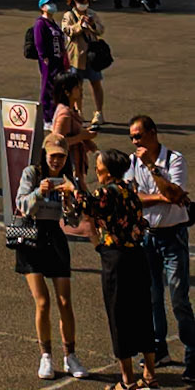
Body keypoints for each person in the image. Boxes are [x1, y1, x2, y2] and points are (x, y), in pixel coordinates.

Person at [74, 148, 157, 388]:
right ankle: (150, 376)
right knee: (142, 312)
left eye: (99, 165)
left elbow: (86, 206)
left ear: (107, 170)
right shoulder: (129, 188)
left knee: (119, 314)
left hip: (115, 257)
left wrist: (73, 189)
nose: (97, 169)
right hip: (137, 254)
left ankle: (127, 380)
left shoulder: (105, 192)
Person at [126, 116, 195, 381]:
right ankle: (159, 350)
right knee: (153, 298)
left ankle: (193, 355)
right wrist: (160, 197)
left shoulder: (174, 160)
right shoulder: (132, 163)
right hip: (147, 237)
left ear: (153, 134)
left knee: (178, 299)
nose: (135, 142)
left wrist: (152, 169)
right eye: (132, 137)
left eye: (139, 136)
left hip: (173, 237)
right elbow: (133, 198)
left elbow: (177, 195)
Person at [16, 130, 88, 381]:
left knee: (65, 301)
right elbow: (21, 204)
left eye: (60, 156)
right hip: (31, 237)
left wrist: (70, 200)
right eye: (52, 155)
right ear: (44, 154)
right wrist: (39, 192)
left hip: (54, 237)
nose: (56, 160)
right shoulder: (32, 174)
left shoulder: (69, 179)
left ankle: (71, 355)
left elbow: (74, 220)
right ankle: (45, 355)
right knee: (43, 301)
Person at [61, 0, 108, 131]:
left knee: (96, 83)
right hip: (76, 57)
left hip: (92, 56)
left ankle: (99, 113)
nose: (84, 2)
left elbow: (101, 30)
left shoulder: (92, 14)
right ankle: (78, 111)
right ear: (74, 1)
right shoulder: (68, 15)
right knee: (77, 86)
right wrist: (79, 26)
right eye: (81, 0)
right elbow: (66, 30)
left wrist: (92, 24)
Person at [49, 73, 97, 189]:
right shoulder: (64, 114)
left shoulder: (70, 110)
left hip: (74, 165)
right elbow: (57, 142)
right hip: (69, 167)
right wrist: (81, 137)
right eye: (76, 87)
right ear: (67, 92)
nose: (80, 89)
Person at [34, 0, 71, 116]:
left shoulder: (53, 23)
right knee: (48, 86)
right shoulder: (41, 23)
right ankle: (46, 115)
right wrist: (43, 56)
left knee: (58, 86)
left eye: (53, 3)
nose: (52, 5)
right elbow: (39, 41)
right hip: (48, 60)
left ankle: (56, 113)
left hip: (58, 59)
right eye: (49, 3)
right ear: (42, 7)